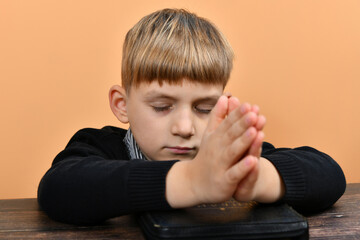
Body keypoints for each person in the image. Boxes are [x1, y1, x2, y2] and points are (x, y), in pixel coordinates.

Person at [37, 8, 346, 225]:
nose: (185, 128)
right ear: (122, 104)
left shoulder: (227, 157)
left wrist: (257, 180)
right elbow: (59, 190)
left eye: (204, 108)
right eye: (161, 107)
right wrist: (191, 182)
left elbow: (329, 174)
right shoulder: (99, 145)